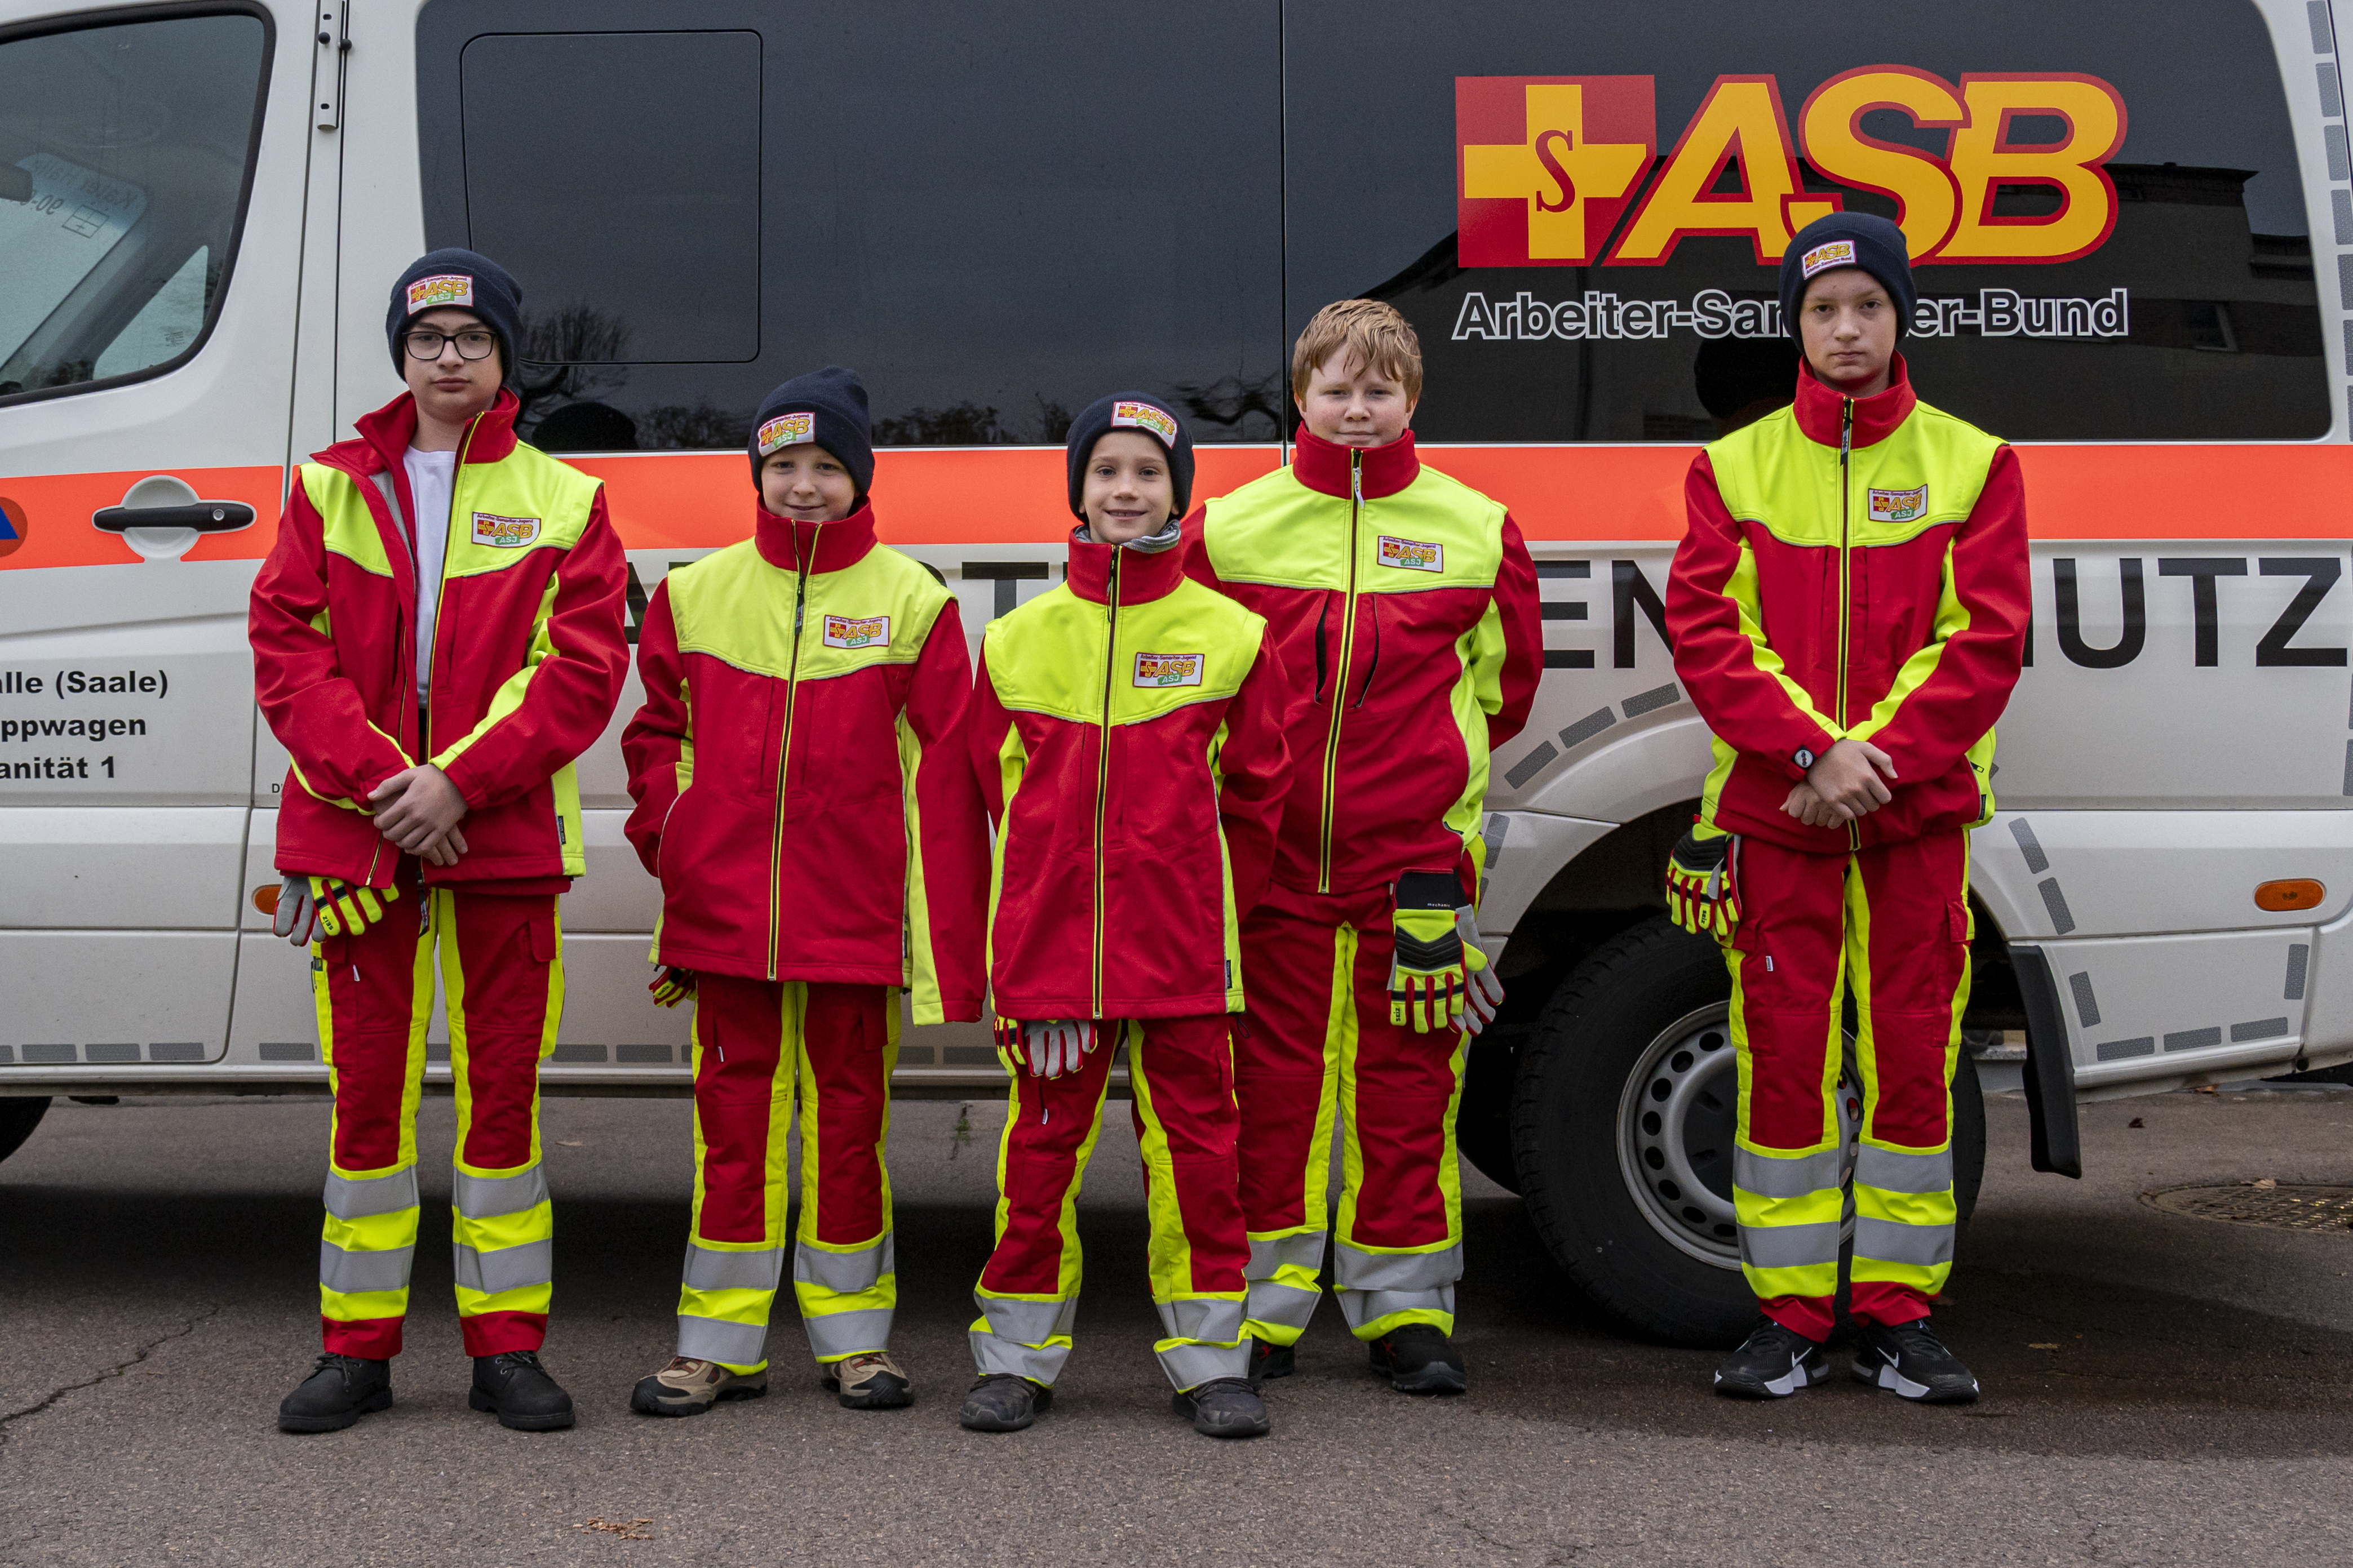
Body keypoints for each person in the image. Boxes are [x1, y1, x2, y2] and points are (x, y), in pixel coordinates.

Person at [251, 248, 631, 1433]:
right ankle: (355, 1355)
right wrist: (385, 786)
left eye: (472, 339)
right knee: (365, 1103)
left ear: (505, 357)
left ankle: (506, 1352)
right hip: (361, 840)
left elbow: (582, 672)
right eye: (429, 340)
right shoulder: (322, 489)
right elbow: (287, 651)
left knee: (502, 1105)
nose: (450, 357)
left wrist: (457, 784)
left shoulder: (568, 500)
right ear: (402, 356)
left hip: (499, 838)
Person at [1663, 212, 2029, 1405]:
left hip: (1914, 818)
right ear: (1796, 325)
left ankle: (1896, 1318)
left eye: (1868, 306)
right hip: (1784, 819)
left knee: (1917, 1060)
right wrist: (1815, 752)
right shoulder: (1733, 465)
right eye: (1823, 310)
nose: (1847, 328)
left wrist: (1878, 758)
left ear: (1900, 317)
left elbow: (1985, 642)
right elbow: (1712, 636)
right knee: (1782, 1063)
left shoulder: (1975, 462)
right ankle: (1787, 1319)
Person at [1182, 301, 1543, 1394]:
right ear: (1300, 396)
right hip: (1273, 867)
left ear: (1411, 401)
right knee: (1274, 1087)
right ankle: (1267, 1308)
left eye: (1376, 392)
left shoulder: (1477, 527)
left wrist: (1434, 790)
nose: (1354, 409)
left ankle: (1406, 1312)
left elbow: (1504, 688)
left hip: (1418, 871)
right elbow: (1192, 677)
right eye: (1335, 389)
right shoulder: (1231, 527)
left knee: (1408, 1090)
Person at [621, 366, 987, 1416]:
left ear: (861, 478)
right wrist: (676, 843)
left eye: (828, 466)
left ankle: (857, 1344)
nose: (804, 485)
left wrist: (933, 928)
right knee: (731, 1124)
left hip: (855, 922)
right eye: (784, 464)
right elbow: (655, 740)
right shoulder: (695, 593)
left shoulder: (912, 601)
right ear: (758, 473)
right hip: (725, 920)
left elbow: (949, 769)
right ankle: (718, 1348)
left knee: (849, 1124)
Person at [958, 393, 1293, 1438]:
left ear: (1178, 495)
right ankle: (1014, 1358)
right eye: (1106, 470)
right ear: (1079, 490)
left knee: (1200, 1156)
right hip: (1054, 964)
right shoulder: (1017, 640)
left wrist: (1210, 922)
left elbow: (1259, 798)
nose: (1125, 489)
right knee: (1039, 1158)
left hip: (1185, 957)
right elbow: (988, 797)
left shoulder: (1232, 636)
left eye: (1148, 471)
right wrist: (1017, 960)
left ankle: (1212, 1362)